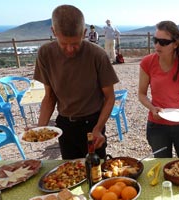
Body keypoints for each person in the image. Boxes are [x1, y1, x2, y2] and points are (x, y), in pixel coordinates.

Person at [34, 5, 119, 159]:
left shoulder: (97, 55)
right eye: (64, 44)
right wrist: (40, 129)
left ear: (84, 33)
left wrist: (98, 129)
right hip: (64, 124)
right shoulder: (45, 54)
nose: (70, 49)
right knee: (70, 174)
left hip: (92, 122)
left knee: (96, 171)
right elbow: (50, 96)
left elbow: (109, 97)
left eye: (75, 43)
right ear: (54, 32)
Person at [138, 20, 179, 158]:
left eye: (163, 42)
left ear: (175, 43)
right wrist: (152, 108)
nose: (157, 45)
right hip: (157, 125)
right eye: (155, 40)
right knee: (162, 168)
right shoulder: (147, 62)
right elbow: (141, 94)